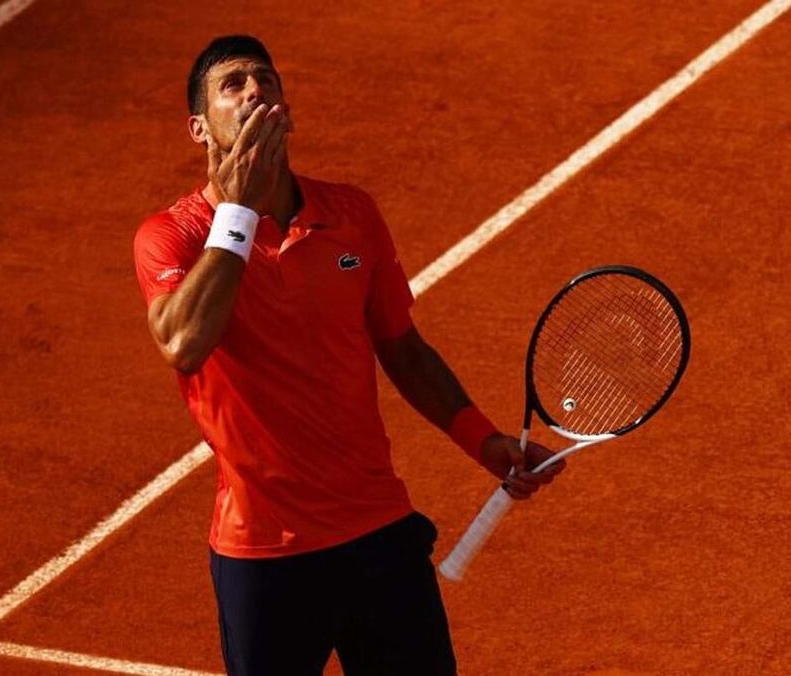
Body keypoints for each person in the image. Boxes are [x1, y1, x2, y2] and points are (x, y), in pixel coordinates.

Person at [132, 35, 566, 676]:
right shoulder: (173, 236)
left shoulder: (352, 214)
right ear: (199, 128)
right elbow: (182, 342)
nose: (256, 89)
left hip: (377, 534)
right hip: (263, 553)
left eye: (266, 80)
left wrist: (483, 440)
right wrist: (239, 214)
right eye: (234, 84)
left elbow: (403, 348)